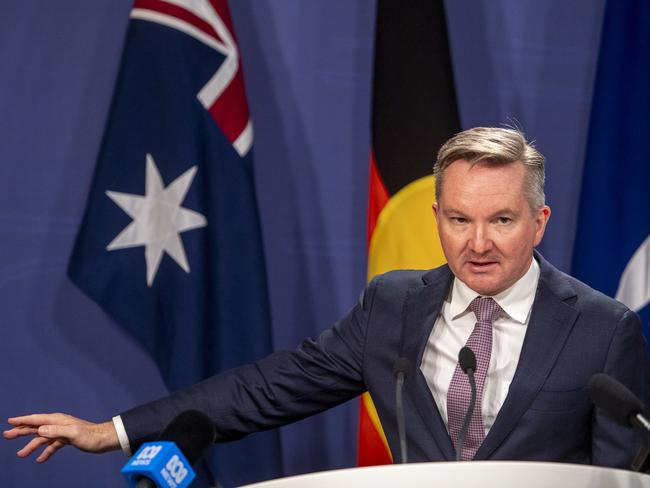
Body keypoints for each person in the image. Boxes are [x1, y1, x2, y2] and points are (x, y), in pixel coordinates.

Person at [5, 127, 648, 467]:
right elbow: (265, 389)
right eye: (459, 219)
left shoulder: (602, 328)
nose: (477, 243)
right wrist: (111, 430)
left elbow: (625, 476)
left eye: (502, 221)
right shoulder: (393, 307)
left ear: (540, 222)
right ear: (437, 218)